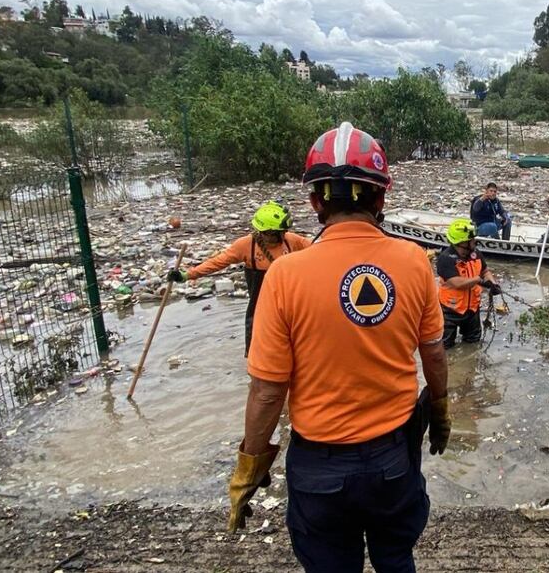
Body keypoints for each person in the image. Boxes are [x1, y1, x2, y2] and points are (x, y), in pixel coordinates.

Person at [227, 122, 451, 573]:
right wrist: (442, 410)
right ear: (381, 199)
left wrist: (250, 468)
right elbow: (434, 354)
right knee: (395, 557)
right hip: (393, 459)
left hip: (319, 468)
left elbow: (268, 391)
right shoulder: (413, 262)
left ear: (315, 202)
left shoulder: (284, 276)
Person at [168, 201, 312, 355]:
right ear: (267, 232)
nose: (284, 235)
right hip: (260, 305)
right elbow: (218, 262)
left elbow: (318, 248)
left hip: (289, 301)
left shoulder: (292, 241)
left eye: (284, 231)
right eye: (280, 232)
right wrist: (187, 275)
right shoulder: (245, 245)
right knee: (256, 339)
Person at [437, 219, 500, 349]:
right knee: (445, 347)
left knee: (473, 344)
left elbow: (485, 271)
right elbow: (456, 283)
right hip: (450, 310)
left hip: (472, 309)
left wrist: (492, 283)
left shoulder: (476, 254)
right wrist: (478, 280)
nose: (474, 242)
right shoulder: (445, 258)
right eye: (471, 240)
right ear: (461, 243)